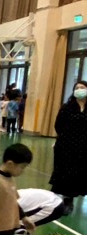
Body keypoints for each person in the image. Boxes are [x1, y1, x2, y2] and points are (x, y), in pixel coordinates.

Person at [51, 80, 87, 215]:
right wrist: (66, 137)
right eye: (77, 87)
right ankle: (66, 199)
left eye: (82, 87)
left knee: (80, 171)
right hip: (66, 145)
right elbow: (58, 125)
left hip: (84, 147)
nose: (79, 89)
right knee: (65, 171)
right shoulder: (67, 107)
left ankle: (74, 194)